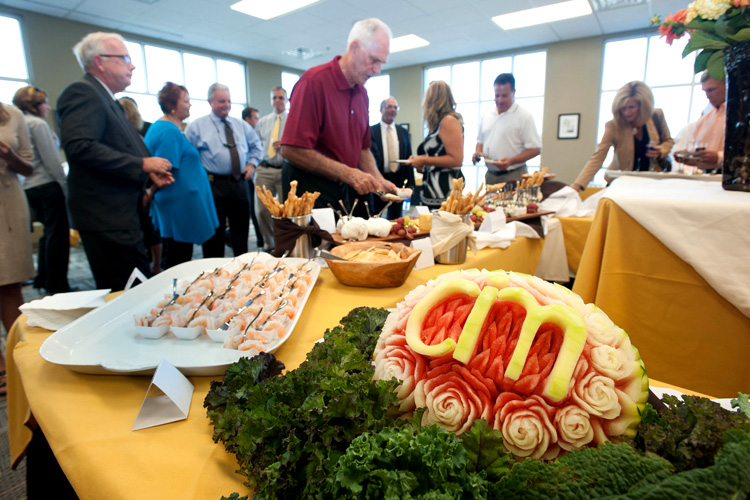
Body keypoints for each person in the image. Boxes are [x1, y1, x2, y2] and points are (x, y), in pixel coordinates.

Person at [57, 32, 173, 291]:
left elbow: (123, 145)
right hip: (105, 216)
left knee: (134, 287)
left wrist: (148, 174)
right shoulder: (83, 92)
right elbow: (79, 147)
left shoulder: (108, 99)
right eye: (125, 58)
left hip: (120, 212)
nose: (132, 65)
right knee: (126, 291)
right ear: (100, 61)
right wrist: (142, 166)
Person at [280, 17, 397, 217]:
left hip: (342, 188)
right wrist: (348, 173)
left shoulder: (362, 93)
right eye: (374, 60)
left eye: (381, 63)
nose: (377, 70)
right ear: (354, 48)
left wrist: (377, 179)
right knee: (317, 247)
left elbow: (362, 148)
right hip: (308, 190)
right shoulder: (313, 82)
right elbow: (291, 149)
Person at [145, 83, 219, 268]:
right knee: (178, 258)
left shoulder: (169, 128)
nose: (189, 105)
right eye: (186, 101)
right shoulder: (167, 130)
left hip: (182, 203)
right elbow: (163, 170)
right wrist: (150, 192)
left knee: (180, 254)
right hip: (179, 205)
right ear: (172, 104)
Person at [185, 83, 262, 258]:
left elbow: (257, 146)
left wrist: (252, 164)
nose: (226, 104)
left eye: (228, 101)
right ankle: (214, 273)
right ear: (210, 102)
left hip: (239, 183)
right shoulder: (197, 127)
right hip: (213, 186)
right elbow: (189, 156)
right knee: (214, 234)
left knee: (241, 232)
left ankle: (244, 269)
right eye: (221, 101)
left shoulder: (241, 125)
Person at [12, 86, 71, 293]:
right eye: (44, 102)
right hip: (47, 185)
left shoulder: (19, 123)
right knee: (59, 235)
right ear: (34, 105)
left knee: (48, 234)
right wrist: (64, 186)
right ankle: (58, 284)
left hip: (29, 187)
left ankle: (43, 278)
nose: (47, 106)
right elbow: (52, 159)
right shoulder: (38, 124)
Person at [572, 81, 674, 191]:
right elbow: (598, 157)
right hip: (621, 183)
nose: (626, 112)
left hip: (650, 182)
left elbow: (669, 141)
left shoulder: (656, 116)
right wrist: (577, 186)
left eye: (631, 107)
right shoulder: (613, 126)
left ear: (643, 106)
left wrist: (661, 150)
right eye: (623, 108)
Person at [0, 102, 34, 395]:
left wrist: (7, 154)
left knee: (11, 282)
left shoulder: (12, 115)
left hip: (8, 199)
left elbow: (28, 165)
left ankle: (18, 359)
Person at [471, 73, 541, 185]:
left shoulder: (524, 116)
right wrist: (478, 152)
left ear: (514, 93)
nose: (500, 100)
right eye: (497, 96)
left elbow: (535, 149)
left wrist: (511, 161)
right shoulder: (486, 116)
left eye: (504, 96)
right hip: (491, 175)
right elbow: (480, 142)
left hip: (514, 175)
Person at [119, 95, 162, 275]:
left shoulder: (142, 134)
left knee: (149, 230)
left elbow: (147, 161)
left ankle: (154, 266)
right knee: (145, 232)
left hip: (142, 189)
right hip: (133, 192)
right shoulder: (129, 138)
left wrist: (150, 189)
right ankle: (150, 267)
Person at [407, 80, 464, 209]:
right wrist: (420, 163)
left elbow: (456, 160)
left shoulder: (449, 121)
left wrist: (423, 159)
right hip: (432, 190)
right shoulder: (438, 124)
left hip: (444, 191)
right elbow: (438, 157)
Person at [254, 87, 288, 251]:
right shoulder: (263, 122)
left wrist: (286, 144)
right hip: (265, 168)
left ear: (286, 100)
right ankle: (269, 244)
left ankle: (285, 244)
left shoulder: (293, 120)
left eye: (281, 98)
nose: (277, 101)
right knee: (262, 210)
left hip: (285, 169)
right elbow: (254, 145)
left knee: (285, 211)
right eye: (274, 98)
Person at [370, 96, 413, 218]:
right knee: (375, 216)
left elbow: (409, 158)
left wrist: (410, 185)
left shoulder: (403, 132)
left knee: (396, 217)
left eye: (395, 107)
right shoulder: (371, 131)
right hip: (378, 179)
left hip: (398, 180)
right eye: (389, 106)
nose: (392, 110)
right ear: (381, 109)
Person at [673, 72, 725, 173]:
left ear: (727, 86)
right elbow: (699, 153)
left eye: (711, 90)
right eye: (705, 91)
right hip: (707, 177)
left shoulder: (741, 117)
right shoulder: (704, 120)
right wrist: (690, 158)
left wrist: (719, 157)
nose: (707, 96)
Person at [241, 105, 265, 250]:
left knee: (253, 207)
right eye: (255, 117)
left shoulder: (252, 132)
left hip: (251, 172)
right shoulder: (241, 130)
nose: (258, 120)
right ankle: (260, 239)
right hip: (242, 176)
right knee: (252, 208)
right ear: (247, 119)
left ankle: (261, 240)